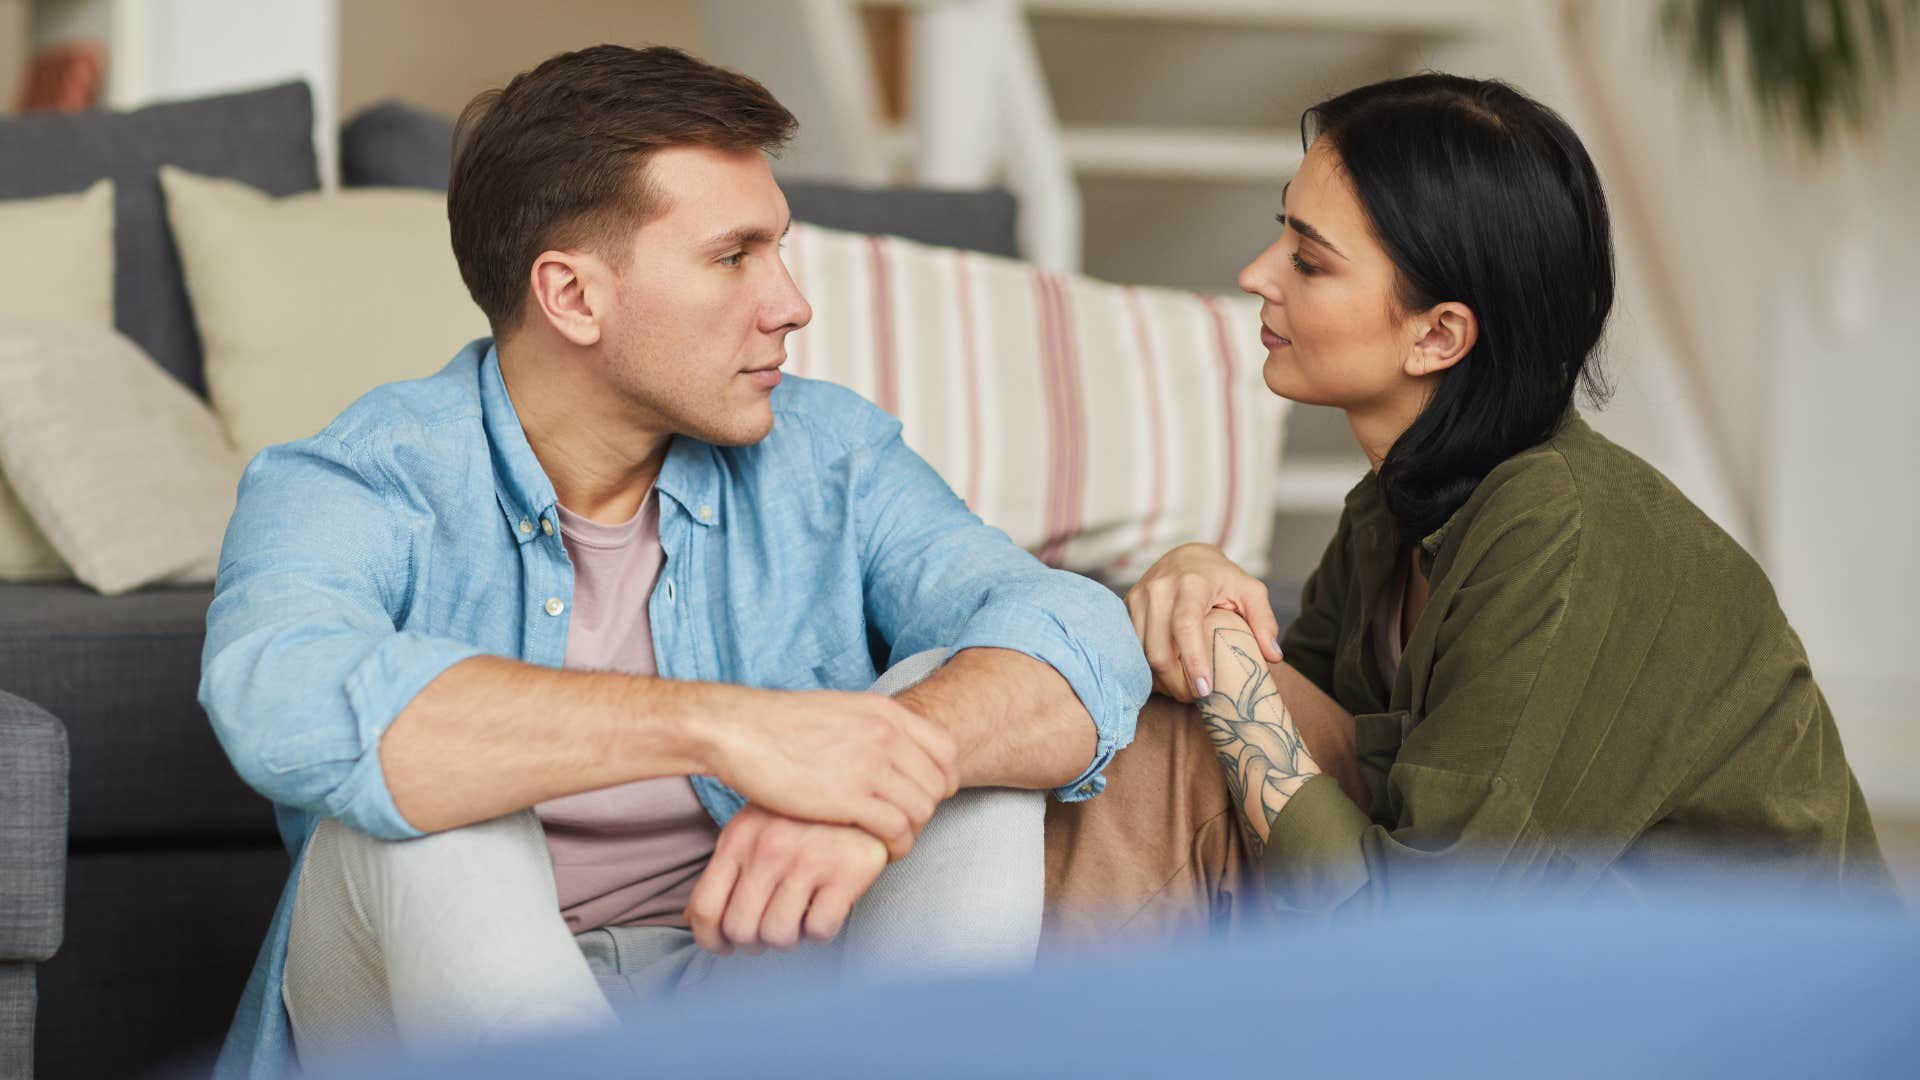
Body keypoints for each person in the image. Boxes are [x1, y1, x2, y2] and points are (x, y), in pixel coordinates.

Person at [200, 45, 1149, 1078]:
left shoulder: (830, 454)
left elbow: (1072, 632)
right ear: (572, 297)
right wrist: (730, 729)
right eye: (734, 256)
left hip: (752, 990)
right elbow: (276, 695)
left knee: (948, 716)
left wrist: (878, 785)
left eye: (779, 251)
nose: (790, 303)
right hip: (426, 1019)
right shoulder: (354, 479)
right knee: (438, 801)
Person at [1050, 73, 1895, 926]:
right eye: (1283, 236)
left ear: (1439, 334)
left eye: (1308, 260)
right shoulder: (1392, 508)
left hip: (1729, 1020)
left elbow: (1422, 936)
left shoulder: (1559, 533)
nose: (1257, 275)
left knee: (1184, 728)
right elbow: (1285, 733)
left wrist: (1222, 668)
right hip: (1537, 973)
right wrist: (1201, 587)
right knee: (1163, 728)